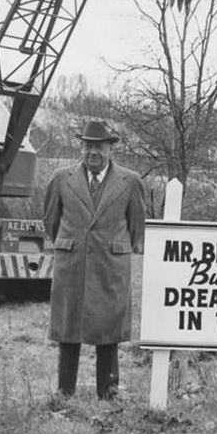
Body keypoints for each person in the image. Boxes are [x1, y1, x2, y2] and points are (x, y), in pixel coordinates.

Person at [43, 120, 145, 401]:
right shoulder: (61, 178)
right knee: (68, 328)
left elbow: (137, 226)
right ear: (81, 148)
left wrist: (116, 247)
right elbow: (50, 221)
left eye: (99, 147)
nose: (93, 153)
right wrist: (73, 243)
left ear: (111, 150)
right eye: (87, 146)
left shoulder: (130, 181)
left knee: (108, 330)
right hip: (71, 264)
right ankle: (65, 391)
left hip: (110, 267)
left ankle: (109, 391)